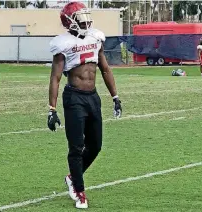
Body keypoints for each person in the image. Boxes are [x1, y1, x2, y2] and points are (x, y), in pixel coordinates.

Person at [47, 2, 122, 209]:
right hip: (74, 98)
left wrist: (115, 97)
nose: (85, 19)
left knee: (95, 145)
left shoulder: (95, 37)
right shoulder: (62, 44)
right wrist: (51, 109)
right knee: (76, 146)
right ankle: (79, 191)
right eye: (80, 16)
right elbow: (55, 78)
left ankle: (73, 178)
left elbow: (105, 69)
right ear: (70, 20)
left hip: (93, 96)